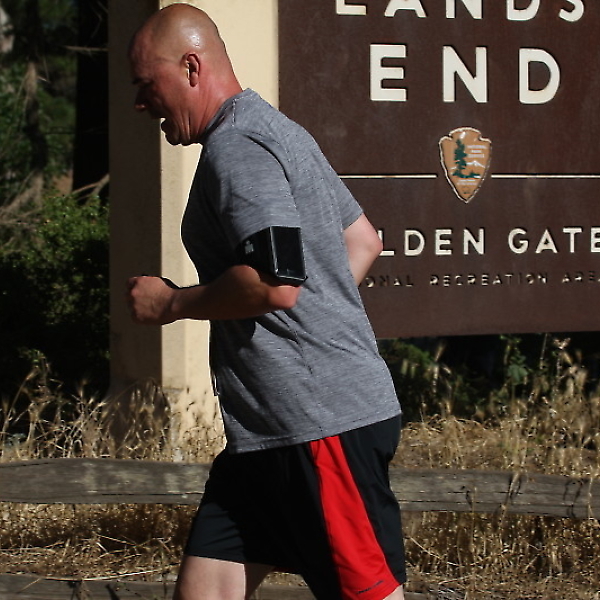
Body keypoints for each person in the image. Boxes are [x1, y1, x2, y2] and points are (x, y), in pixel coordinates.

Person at [127, 4, 406, 600]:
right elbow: (363, 241)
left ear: (191, 67)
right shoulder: (278, 131)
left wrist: (171, 303)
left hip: (318, 425)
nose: (140, 103)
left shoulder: (238, 148)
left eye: (147, 85)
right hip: (263, 433)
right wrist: (316, 314)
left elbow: (274, 283)